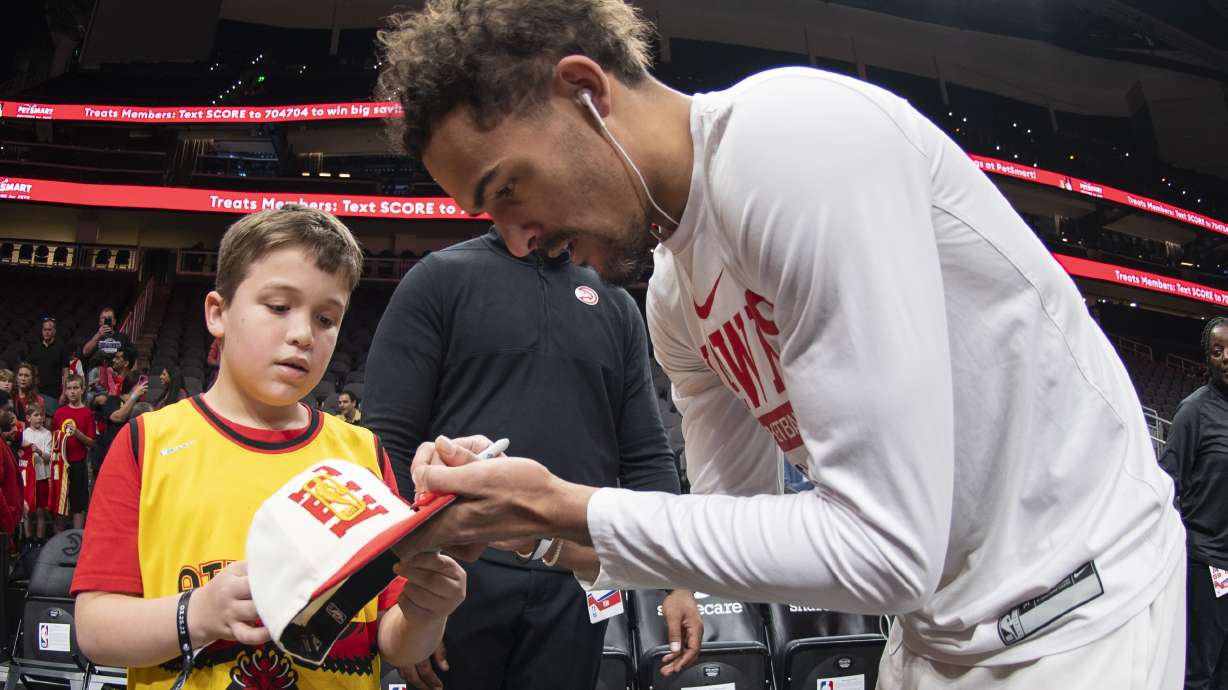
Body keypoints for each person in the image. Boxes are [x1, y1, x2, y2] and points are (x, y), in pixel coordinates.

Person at [375, 2, 1185, 687]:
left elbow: (883, 551)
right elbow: (734, 534)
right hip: (934, 635)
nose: (519, 236)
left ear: (586, 92)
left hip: (1073, 614)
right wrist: (534, 529)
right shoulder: (673, 297)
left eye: (508, 188)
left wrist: (558, 502)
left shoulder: (792, 140)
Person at [71, 204, 465, 690]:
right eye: (279, 307)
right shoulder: (146, 443)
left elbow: (395, 641)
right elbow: (94, 629)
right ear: (218, 313)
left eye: (326, 318)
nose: (302, 334)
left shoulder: (363, 454)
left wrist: (427, 613)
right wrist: (198, 613)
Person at [365, 228, 702, 690]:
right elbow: (389, 444)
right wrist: (409, 592)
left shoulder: (617, 303)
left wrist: (676, 579)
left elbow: (645, 454)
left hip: (578, 576)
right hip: (457, 573)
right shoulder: (438, 279)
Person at [1160, 316, 1228, 690]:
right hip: (1208, 563)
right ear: (1207, 359)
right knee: (1201, 669)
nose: (1227, 357)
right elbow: (1168, 486)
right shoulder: (1194, 411)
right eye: (1217, 351)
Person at [52, 375, 96, 530]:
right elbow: (54, 438)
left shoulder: (87, 413)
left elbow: (92, 443)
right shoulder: (59, 413)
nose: (72, 392)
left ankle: (77, 539)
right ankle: (59, 542)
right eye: (69, 388)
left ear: (82, 389)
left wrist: (77, 433)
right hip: (61, 464)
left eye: (75, 388)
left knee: (78, 504)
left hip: (78, 463)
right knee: (61, 503)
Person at [19, 405, 53, 543]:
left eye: (41, 415)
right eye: (36, 415)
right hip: (26, 479)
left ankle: (39, 540)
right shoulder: (24, 434)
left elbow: (48, 457)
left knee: (40, 511)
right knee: (27, 511)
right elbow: (20, 454)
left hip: (41, 478)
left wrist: (38, 451)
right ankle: (28, 540)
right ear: (28, 418)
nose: (39, 418)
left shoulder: (47, 434)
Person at [30, 317, 67, 414]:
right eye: (44, 329)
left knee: (50, 421)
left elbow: (65, 373)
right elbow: (32, 370)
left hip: (53, 393)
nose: (46, 332)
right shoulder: (36, 348)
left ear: (54, 331)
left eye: (49, 330)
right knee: (36, 418)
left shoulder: (61, 348)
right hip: (37, 391)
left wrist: (64, 393)